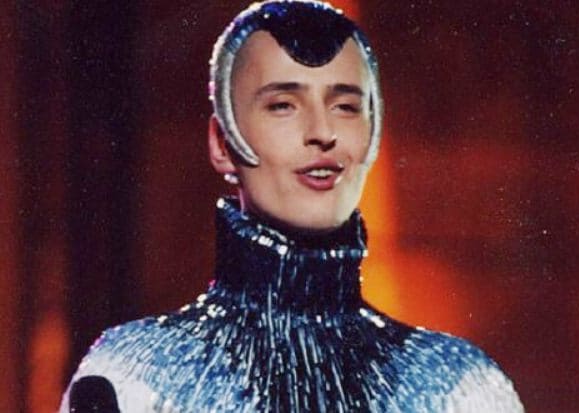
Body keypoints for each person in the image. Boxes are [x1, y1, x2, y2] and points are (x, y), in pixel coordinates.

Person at [60, 1, 524, 412]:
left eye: (345, 106)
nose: (322, 132)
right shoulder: (136, 377)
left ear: (373, 133)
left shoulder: (457, 387)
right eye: (283, 105)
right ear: (222, 143)